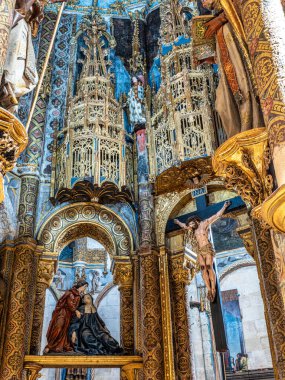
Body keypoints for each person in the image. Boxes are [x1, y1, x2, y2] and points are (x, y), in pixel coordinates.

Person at [197, 0, 264, 138]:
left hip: (243, 65)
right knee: (222, 106)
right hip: (228, 67)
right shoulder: (217, 21)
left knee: (244, 94)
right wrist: (208, 58)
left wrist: (221, 19)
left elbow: (246, 6)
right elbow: (224, 54)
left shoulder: (223, 18)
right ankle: (243, 137)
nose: (203, 3)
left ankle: (253, 132)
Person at [174, 200, 231, 301]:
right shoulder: (192, 229)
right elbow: (184, 226)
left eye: (191, 223)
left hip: (207, 248)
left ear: (196, 220)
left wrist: (224, 206)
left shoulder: (204, 224)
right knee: (203, 269)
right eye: (190, 225)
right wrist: (177, 222)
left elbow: (217, 215)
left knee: (209, 267)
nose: (190, 226)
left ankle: (213, 288)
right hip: (199, 251)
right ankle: (208, 289)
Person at [0, 0, 43, 112]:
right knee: (13, 55)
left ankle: (7, 91)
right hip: (15, 19)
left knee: (29, 77)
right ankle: (6, 87)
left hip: (21, 22)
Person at [44, 280, 88, 353]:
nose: (85, 289)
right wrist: (75, 311)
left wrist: (83, 296)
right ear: (80, 286)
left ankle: (61, 346)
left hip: (70, 316)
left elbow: (81, 305)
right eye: (85, 287)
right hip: (63, 313)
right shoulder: (70, 293)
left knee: (65, 330)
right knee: (58, 327)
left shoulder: (79, 296)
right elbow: (70, 303)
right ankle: (50, 346)